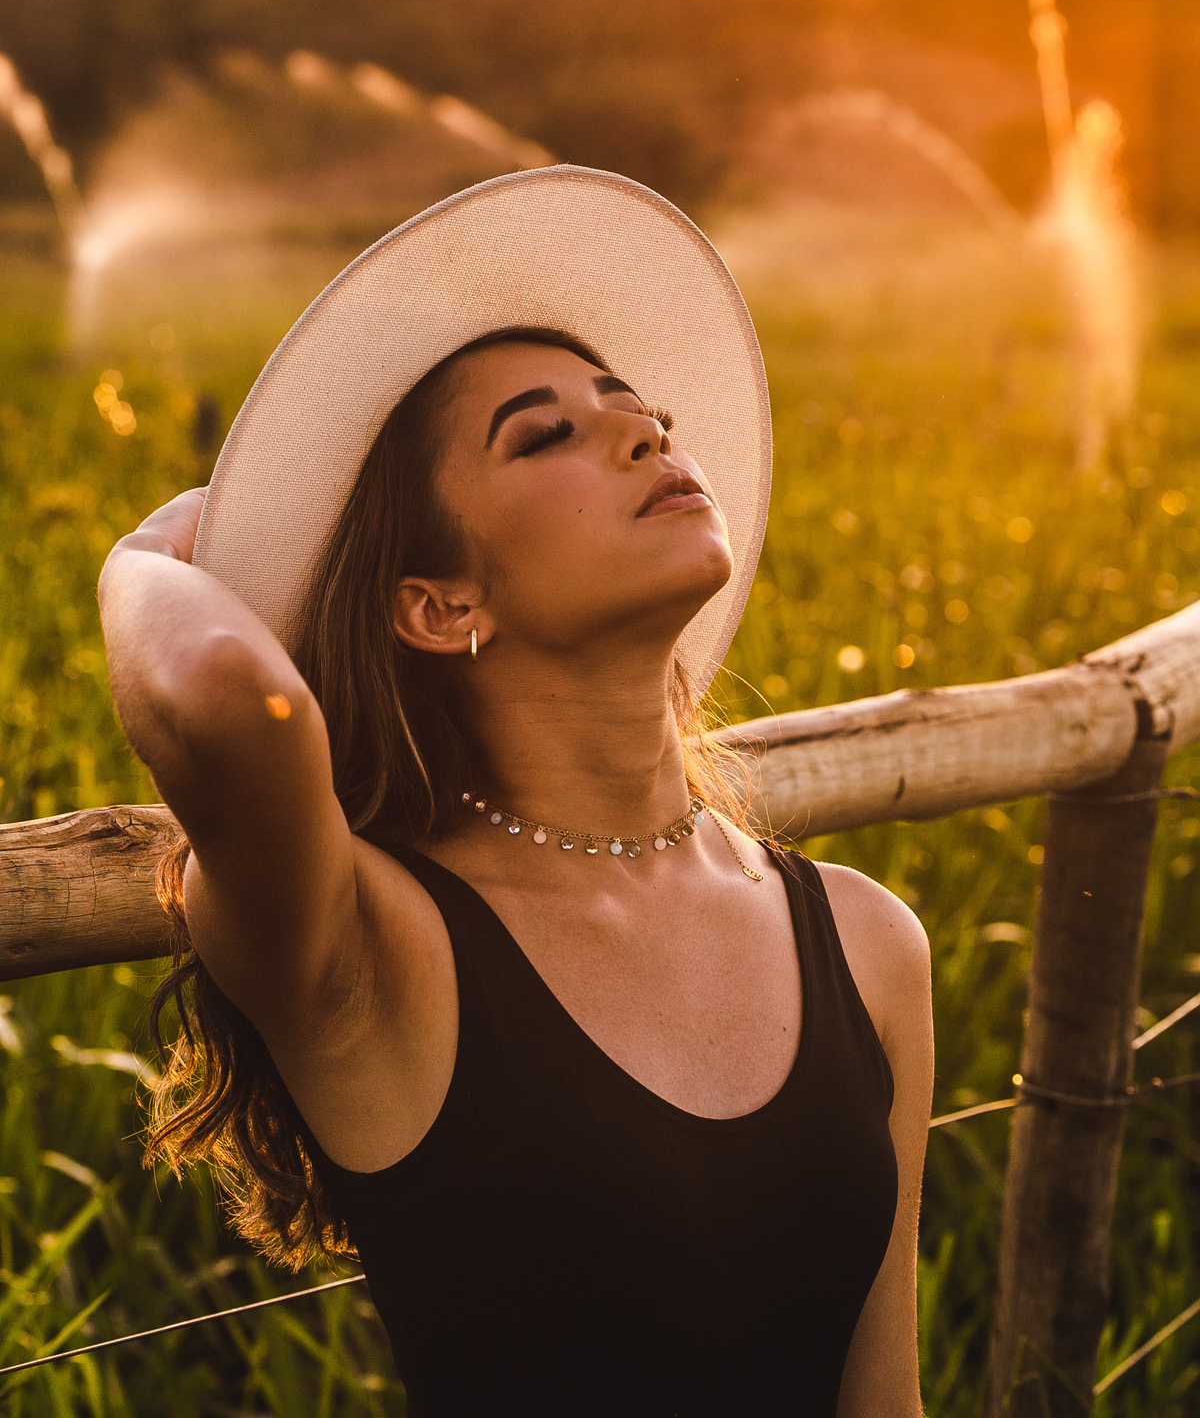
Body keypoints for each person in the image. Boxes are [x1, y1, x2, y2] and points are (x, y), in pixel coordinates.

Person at [99, 168, 933, 1417]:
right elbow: (225, 700)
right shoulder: (381, 950)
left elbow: (884, 1398)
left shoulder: (869, 944)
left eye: (637, 406)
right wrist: (153, 550)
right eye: (544, 434)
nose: (646, 431)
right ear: (440, 606)